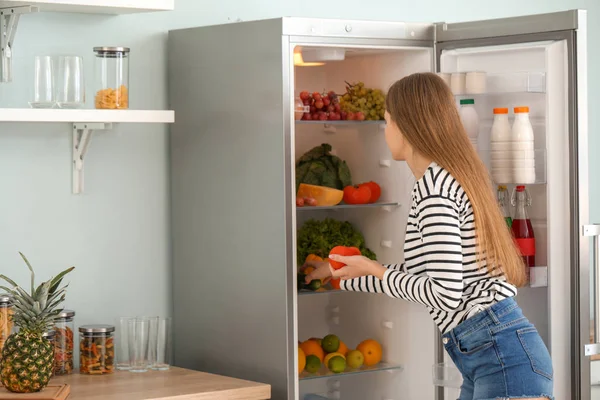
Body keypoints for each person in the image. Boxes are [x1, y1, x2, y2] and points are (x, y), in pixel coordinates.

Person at [304, 72, 553, 400]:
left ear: (405, 126)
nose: (385, 131)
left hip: (501, 358)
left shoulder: (435, 189)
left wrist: (376, 270)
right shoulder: (450, 176)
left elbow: (444, 294)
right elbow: (424, 278)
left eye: (386, 122)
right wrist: (341, 275)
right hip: (493, 349)